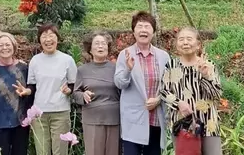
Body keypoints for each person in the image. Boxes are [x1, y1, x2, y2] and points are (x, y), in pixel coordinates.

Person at [114, 11, 170, 155]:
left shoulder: (163, 56)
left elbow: (170, 85)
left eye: (147, 26)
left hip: (155, 118)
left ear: (153, 32)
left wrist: (158, 99)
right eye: (139, 26)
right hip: (133, 118)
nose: (143, 30)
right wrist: (128, 69)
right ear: (134, 31)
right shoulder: (125, 54)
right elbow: (120, 84)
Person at [160, 26, 222, 155]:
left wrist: (205, 76)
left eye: (189, 39)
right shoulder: (171, 66)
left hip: (208, 124)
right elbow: (164, 92)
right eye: (181, 39)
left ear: (198, 44)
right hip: (182, 126)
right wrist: (178, 103)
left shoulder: (208, 65)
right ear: (176, 45)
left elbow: (216, 94)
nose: (185, 42)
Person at [27, 23, 78, 155]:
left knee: (60, 151)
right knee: (42, 151)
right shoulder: (35, 61)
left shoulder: (67, 60)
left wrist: (69, 90)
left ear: (57, 39)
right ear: (39, 40)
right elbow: (32, 86)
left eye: (51, 35)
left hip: (60, 112)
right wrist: (26, 91)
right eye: (44, 36)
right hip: (39, 114)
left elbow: (74, 84)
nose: (48, 39)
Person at [0, 31, 32, 155]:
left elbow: (32, 88)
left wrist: (26, 91)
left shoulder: (23, 68)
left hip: (20, 121)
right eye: (1, 45)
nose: (5, 48)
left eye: (7, 44)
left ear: (13, 46)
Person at [73, 31, 120, 155]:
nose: (100, 46)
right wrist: (83, 95)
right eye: (97, 43)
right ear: (90, 49)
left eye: (103, 43)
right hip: (92, 119)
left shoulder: (117, 68)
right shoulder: (82, 70)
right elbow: (75, 93)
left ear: (108, 48)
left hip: (114, 119)